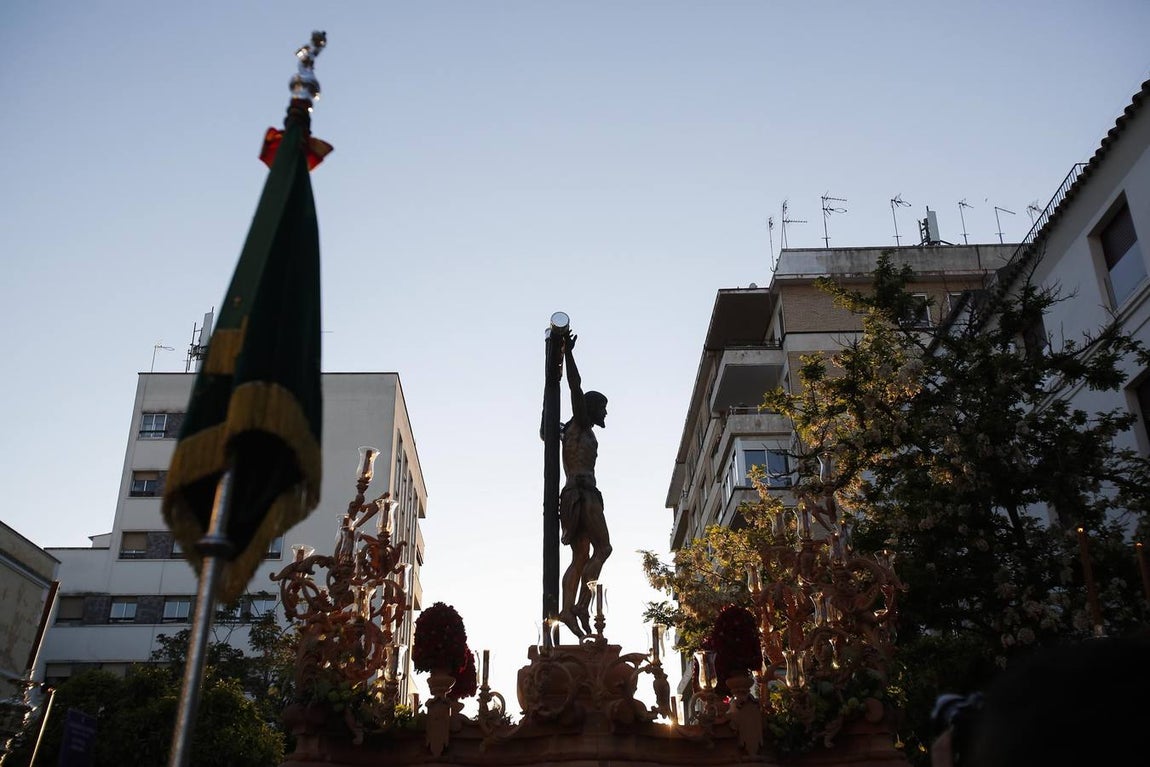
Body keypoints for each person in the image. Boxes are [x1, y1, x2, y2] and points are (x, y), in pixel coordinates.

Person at [556, 333, 612, 639]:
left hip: (574, 494)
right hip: (583, 494)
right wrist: (568, 356)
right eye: (602, 407)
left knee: (580, 557)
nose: (605, 413)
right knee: (604, 548)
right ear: (590, 408)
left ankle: (567, 609)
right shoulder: (580, 423)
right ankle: (581, 604)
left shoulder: (578, 430)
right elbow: (575, 386)